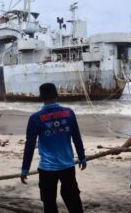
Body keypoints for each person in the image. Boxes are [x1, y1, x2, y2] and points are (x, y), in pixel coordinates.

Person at [21, 83, 87, 213]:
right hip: (68, 166)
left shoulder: (35, 118)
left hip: (47, 169)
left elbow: (29, 145)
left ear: (42, 97)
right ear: (56, 95)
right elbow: (76, 137)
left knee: (49, 203)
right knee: (73, 200)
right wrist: (82, 157)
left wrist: (25, 169)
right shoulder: (69, 113)